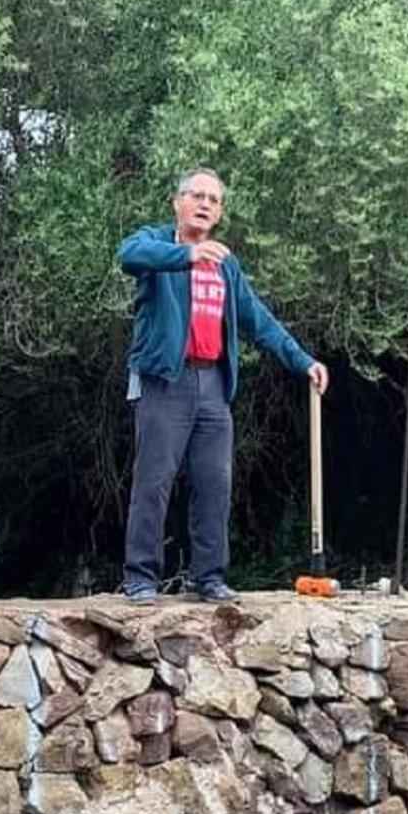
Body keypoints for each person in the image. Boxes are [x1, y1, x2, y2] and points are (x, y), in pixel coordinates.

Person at [116, 168, 329, 603]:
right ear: (178, 202)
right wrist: (186, 258)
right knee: (153, 481)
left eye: (213, 199)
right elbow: (128, 255)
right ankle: (140, 578)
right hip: (165, 381)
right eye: (197, 195)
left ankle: (208, 577)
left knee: (214, 482)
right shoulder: (157, 244)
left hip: (213, 383)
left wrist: (303, 360)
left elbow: (258, 320)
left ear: (220, 212)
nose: (205, 204)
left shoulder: (226, 265)